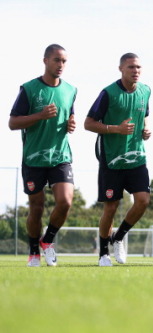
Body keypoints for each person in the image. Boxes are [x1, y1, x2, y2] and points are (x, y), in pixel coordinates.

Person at [9, 44, 77, 267]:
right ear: (45, 61)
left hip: (60, 155)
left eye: (64, 61)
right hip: (34, 157)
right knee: (36, 208)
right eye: (57, 60)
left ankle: (47, 241)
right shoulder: (29, 89)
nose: (61, 65)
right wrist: (39, 115)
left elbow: (69, 115)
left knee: (65, 201)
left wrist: (71, 123)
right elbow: (13, 123)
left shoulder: (70, 90)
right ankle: (33, 252)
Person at [84, 53, 152, 267]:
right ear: (121, 69)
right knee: (111, 207)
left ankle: (119, 237)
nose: (136, 71)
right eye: (131, 67)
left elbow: (145, 114)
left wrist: (146, 129)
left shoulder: (146, 91)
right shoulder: (108, 93)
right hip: (112, 160)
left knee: (143, 200)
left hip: (137, 157)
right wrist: (116, 129)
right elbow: (88, 123)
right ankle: (103, 253)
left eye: (139, 67)